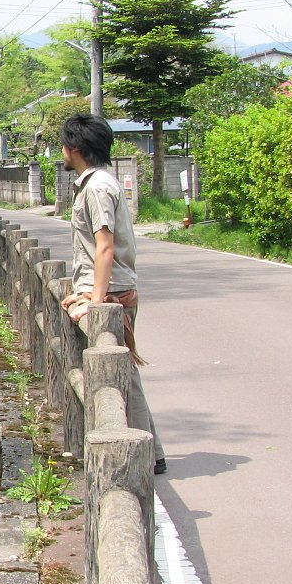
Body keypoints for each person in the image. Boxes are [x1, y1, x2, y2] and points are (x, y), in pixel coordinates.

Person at [58, 113, 166, 475]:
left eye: (63, 145)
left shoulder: (97, 187)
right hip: (109, 288)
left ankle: (142, 456)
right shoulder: (95, 183)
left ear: (74, 148)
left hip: (112, 291)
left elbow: (104, 246)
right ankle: (153, 452)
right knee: (123, 372)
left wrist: (95, 298)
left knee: (118, 372)